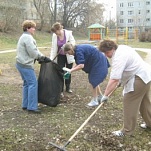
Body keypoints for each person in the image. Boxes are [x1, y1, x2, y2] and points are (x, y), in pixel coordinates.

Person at [99, 40, 151, 136]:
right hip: (146, 75)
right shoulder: (122, 48)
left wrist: (105, 95)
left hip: (139, 78)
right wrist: (120, 81)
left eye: (107, 52)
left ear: (112, 48)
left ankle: (127, 131)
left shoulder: (119, 56)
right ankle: (150, 123)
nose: (106, 55)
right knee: (145, 102)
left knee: (129, 102)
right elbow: (125, 70)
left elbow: (114, 79)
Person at [16, 20, 50, 114]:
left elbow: (35, 50)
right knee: (33, 84)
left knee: (27, 83)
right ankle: (32, 107)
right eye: (33, 28)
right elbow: (33, 52)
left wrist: (42, 57)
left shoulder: (24, 36)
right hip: (25, 65)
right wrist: (42, 58)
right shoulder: (27, 38)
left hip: (20, 63)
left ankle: (25, 104)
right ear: (28, 28)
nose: (34, 29)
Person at [50, 22, 76, 96]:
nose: (55, 33)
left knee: (68, 71)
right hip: (60, 56)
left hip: (68, 55)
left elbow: (73, 43)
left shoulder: (68, 33)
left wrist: (67, 46)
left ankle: (68, 87)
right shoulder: (54, 36)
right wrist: (52, 58)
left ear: (59, 29)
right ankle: (60, 89)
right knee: (61, 71)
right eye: (54, 32)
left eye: (56, 31)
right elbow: (53, 47)